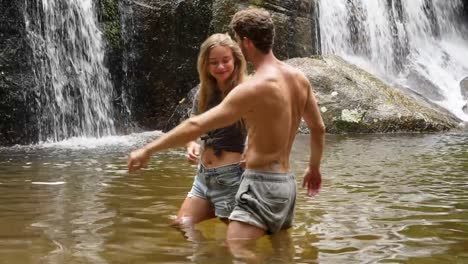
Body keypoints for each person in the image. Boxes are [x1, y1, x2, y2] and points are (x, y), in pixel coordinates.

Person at [128, 7, 325, 255]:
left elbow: (197, 125)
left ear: (246, 42)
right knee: (277, 252)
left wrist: (148, 149)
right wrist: (314, 167)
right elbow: (318, 128)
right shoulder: (298, 78)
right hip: (286, 184)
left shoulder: (252, 88)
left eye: (238, 42)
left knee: (238, 252)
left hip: (260, 184)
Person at [172, 33, 248, 228]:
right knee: (181, 225)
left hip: (231, 177)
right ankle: (207, 255)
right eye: (214, 62)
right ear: (205, 64)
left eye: (225, 60)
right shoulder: (204, 92)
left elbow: (264, 125)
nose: (220, 67)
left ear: (236, 61)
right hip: (203, 177)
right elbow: (192, 128)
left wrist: (252, 149)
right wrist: (190, 145)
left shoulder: (246, 90)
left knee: (241, 242)